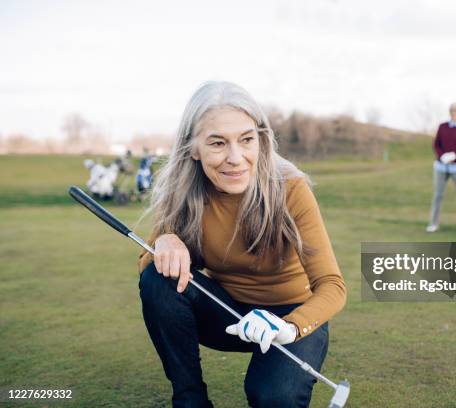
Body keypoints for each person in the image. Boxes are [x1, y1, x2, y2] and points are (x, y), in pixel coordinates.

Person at [137, 81, 347, 407]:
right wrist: (166, 241)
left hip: (291, 319)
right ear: (193, 148)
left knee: (272, 396)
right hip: (229, 316)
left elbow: (333, 286)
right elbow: (148, 266)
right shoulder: (184, 193)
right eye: (218, 143)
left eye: (247, 140)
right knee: (157, 277)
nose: (236, 158)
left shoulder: (290, 187)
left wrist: (288, 328)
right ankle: (190, 400)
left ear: (261, 140)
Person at [426, 102, 456, 235]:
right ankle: (433, 223)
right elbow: (436, 144)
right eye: (452, 111)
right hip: (441, 166)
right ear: (450, 112)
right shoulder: (442, 127)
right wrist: (442, 156)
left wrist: (454, 155)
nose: (455, 113)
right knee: (437, 195)